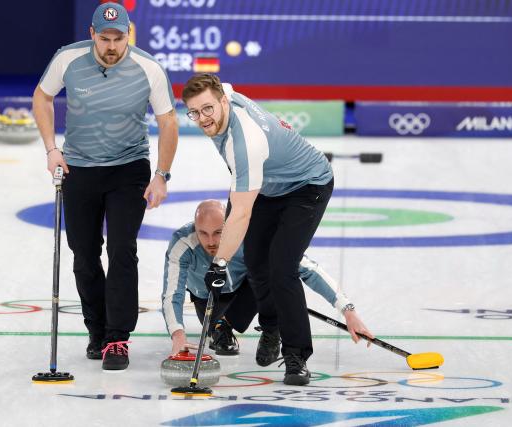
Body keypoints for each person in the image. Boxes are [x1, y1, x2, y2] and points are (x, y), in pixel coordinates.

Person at [32, 2, 178, 371]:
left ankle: (117, 338)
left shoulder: (148, 68)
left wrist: (161, 174)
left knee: (122, 249)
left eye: (119, 38)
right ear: (92, 35)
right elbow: (42, 97)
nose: (112, 46)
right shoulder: (68, 59)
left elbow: (168, 121)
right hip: (80, 168)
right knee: (84, 255)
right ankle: (96, 331)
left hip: (129, 169)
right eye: (105, 38)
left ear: (128, 35)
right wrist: (52, 149)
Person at [182, 74, 334, 385]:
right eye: (195, 112)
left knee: (282, 267)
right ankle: (272, 324)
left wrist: (219, 263)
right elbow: (220, 85)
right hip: (267, 184)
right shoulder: (222, 93)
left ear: (223, 103)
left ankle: (296, 355)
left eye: (208, 109)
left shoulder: (245, 143)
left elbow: (240, 214)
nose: (202, 119)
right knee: (255, 263)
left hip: (307, 186)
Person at [162, 200, 373, 365]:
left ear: (229, 224)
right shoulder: (182, 244)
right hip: (207, 296)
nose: (210, 242)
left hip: (248, 289)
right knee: (214, 326)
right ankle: (219, 325)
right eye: (203, 234)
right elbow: (173, 293)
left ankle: (271, 329)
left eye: (218, 233)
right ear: (194, 228)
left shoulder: (249, 234)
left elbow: (306, 268)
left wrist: (348, 310)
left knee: (267, 270)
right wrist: (178, 335)